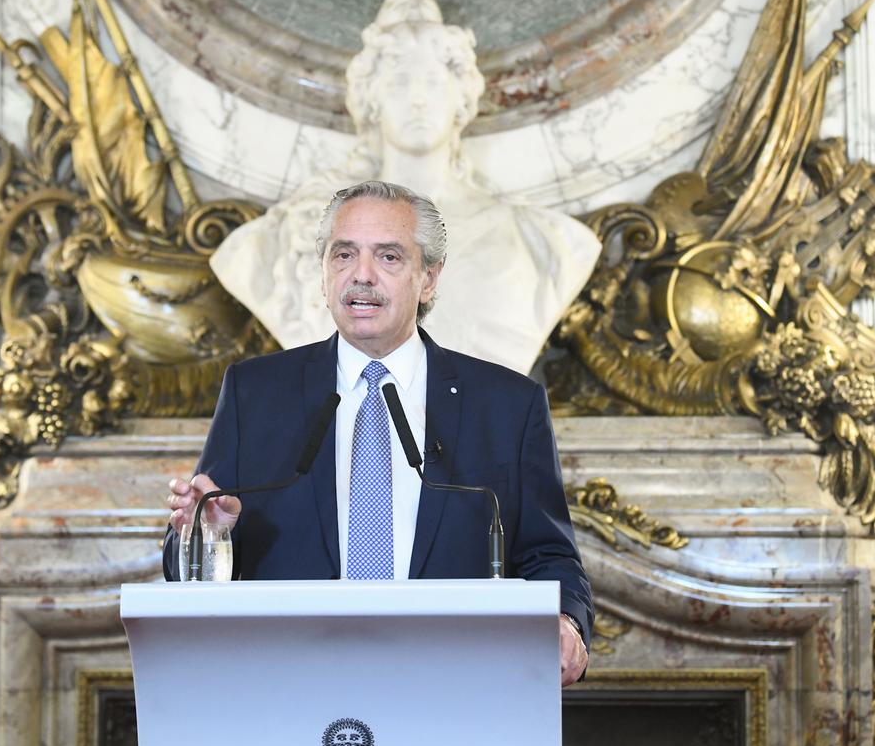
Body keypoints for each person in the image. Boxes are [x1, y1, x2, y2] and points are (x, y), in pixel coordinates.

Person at [167, 180, 591, 686]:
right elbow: (185, 568)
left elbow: (548, 555)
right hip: (290, 689)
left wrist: (566, 622)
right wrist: (208, 532)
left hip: (453, 688)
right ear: (324, 275)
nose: (361, 276)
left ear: (429, 278)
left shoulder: (506, 405)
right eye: (343, 255)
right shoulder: (254, 394)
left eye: (388, 257)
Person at [208, 0, 600, 377]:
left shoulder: (547, 244)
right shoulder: (279, 243)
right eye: (399, 82)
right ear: (371, 101)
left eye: (431, 82)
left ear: (463, 98)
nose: (417, 99)